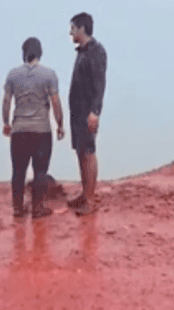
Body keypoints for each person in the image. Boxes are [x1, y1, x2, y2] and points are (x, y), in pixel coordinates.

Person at [3, 37, 64, 219]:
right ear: (40, 53)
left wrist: (6, 122)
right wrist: (60, 124)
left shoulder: (13, 74)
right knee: (40, 170)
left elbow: (7, 100)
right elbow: (55, 102)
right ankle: (38, 208)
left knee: (18, 171)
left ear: (24, 53)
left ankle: (18, 208)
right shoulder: (49, 75)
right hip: (41, 131)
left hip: (19, 130)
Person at [67, 12, 107, 216]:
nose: (70, 32)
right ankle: (84, 194)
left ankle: (90, 200)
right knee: (81, 152)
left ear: (82, 29)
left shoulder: (96, 52)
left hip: (87, 113)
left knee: (88, 152)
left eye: (72, 28)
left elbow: (99, 84)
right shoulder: (82, 52)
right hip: (77, 113)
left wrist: (95, 112)